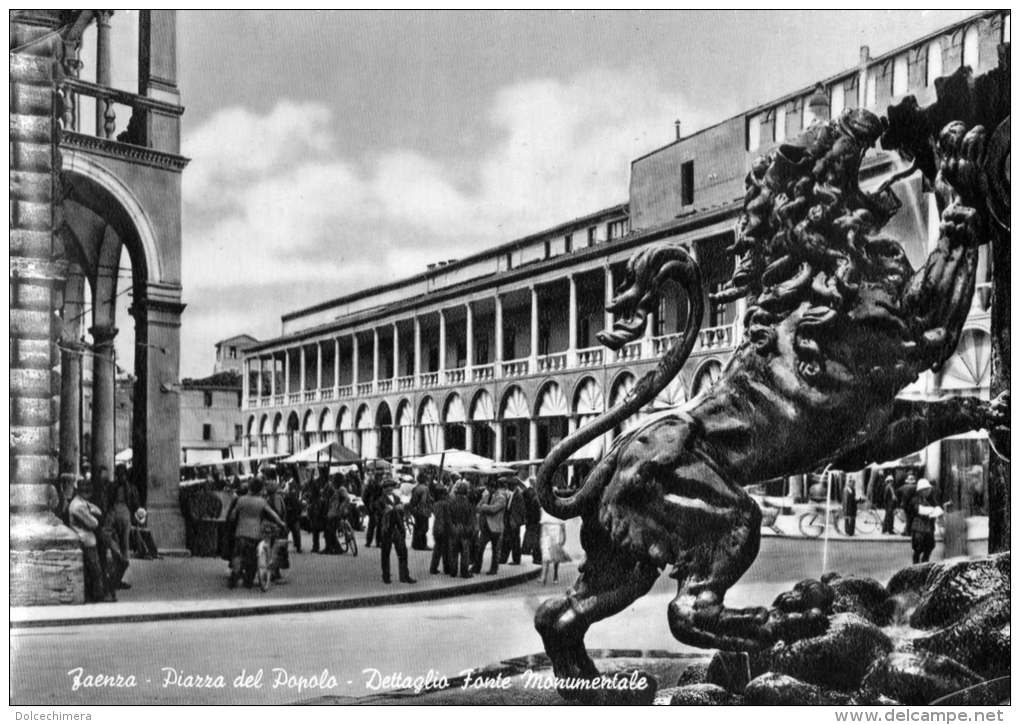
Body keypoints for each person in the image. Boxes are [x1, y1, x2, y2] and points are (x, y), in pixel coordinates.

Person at [226, 476, 285, 589]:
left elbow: (233, 516)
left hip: (240, 532)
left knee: (238, 555)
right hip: (255, 534)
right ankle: (248, 580)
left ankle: (235, 574)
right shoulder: (262, 502)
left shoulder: (241, 500)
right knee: (253, 558)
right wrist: (281, 523)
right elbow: (273, 514)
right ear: (260, 489)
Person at [68, 478, 112, 602]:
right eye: (85, 489)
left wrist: (92, 510)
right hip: (86, 540)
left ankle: (94, 594)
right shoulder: (78, 506)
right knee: (95, 570)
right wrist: (93, 514)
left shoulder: (81, 502)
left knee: (93, 569)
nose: (88, 491)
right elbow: (93, 523)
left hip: (87, 539)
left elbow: (97, 510)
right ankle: (98, 595)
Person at [376, 478, 415, 584]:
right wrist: (386, 511)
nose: (389, 489)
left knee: (403, 552)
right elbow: (378, 515)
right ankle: (386, 576)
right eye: (386, 487)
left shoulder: (397, 498)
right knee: (385, 553)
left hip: (397, 528)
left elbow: (402, 512)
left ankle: (404, 576)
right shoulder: (380, 501)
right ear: (383, 489)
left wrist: (401, 509)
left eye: (391, 486)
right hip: (386, 529)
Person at [472, 478, 507, 575]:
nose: (490, 489)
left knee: (495, 551)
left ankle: (494, 569)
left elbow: (494, 509)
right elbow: (477, 507)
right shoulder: (486, 496)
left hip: (496, 528)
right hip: (485, 527)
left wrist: (484, 507)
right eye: (489, 487)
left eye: (492, 488)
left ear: (496, 488)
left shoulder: (501, 498)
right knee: (480, 548)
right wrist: (484, 507)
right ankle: (477, 567)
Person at [910, 479, 942, 564]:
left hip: (929, 529)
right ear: (921, 491)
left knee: (929, 548)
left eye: (928, 489)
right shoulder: (916, 500)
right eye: (926, 489)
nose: (929, 491)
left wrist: (936, 511)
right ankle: (916, 567)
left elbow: (938, 509)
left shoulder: (932, 500)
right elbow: (920, 510)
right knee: (918, 550)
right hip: (919, 528)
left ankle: (925, 564)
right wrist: (932, 510)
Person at [447, 482, 476, 579]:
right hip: (464, 531)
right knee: (465, 553)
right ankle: (464, 572)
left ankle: (453, 571)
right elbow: (471, 519)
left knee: (453, 552)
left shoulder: (451, 502)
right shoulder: (468, 504)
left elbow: (448, 518)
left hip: (454, 530)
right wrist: (469, 529)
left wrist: (452, 527)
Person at [539, 508, 571, 585]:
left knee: (555, 553)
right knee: (545, 552)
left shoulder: (557, 505)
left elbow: (563, 522)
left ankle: (555, 574)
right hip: (545, 528)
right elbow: (542, 522)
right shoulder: (543, 506)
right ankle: (543, 577)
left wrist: (563, 534)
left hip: (556, 528)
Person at [500, 477, 527, 564]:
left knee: (515, 541)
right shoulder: (511, 494)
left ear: (513, 485)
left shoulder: (518, 495)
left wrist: (516, 521)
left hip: (514, 521)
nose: (507, 486)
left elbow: (520, 509)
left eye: (509, 485)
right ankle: (503, 558)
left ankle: (516, 560)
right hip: (508, 520)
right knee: (506, 539)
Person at [428, 485, 451, 575]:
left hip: (436, 528)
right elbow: (448, 518)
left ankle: (433, 568)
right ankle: (447, 568)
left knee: (437, 549)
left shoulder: (435, 504)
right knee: (446, 549)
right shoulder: (446, 504)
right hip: (444, 528)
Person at [303, 468, 326, 554]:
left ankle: (315, 546)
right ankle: (315, 546)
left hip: (315, 507)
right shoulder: (315, 483)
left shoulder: (315, 483)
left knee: (315, 528)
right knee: (314, 528)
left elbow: (313, 493)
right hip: (314, 506)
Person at [409, 474, 433, 551]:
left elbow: (412, 501)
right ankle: (422, 545)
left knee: (417, 527)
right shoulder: (425, 488)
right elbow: (423, 501)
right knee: (424, 528)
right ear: (425, 480)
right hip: (423, 511)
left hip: (416, 511)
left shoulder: (415, 488)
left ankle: (415, 544)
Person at [283, 471, 303, 553]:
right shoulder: (289, 484)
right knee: (294, 530)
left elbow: (293, 498)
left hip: (292, 512)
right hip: (291, 512)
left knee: (292, 530)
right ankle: (296, 546)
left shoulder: (292, 484)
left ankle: (296, 546)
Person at [362, 473, 382, 548]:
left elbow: (364, 497)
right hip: (377, 507)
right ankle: (378, 542)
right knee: (378, 525)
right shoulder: (380, 486)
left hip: (372, 507)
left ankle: (369, 542)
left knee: (372, 525)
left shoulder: (369, 486)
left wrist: (367, 505)